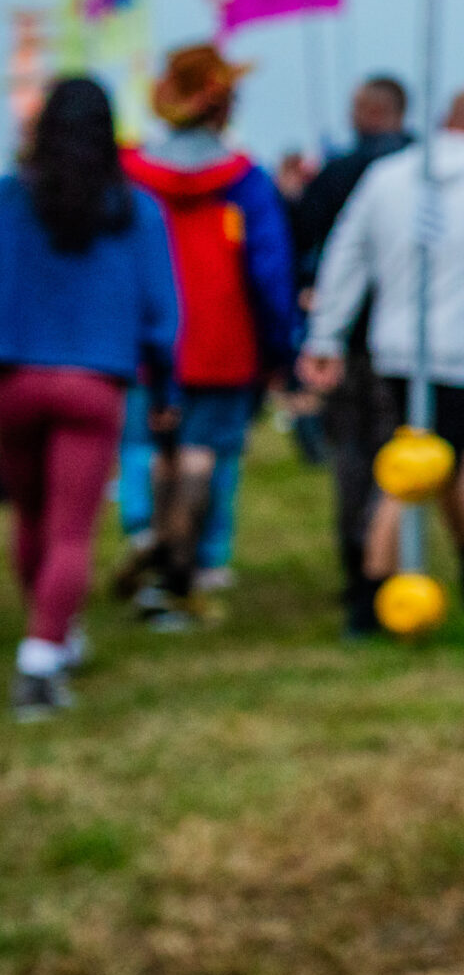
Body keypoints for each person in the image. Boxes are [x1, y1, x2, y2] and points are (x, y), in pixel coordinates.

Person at [301, 89, 464, 620]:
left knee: (448, 457)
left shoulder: (389, 176)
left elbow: (346, 253)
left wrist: (326, 334)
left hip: (397, 343)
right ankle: (372, 590)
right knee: (417, 467)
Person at [0, 79, 180, 720]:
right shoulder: (135, 211)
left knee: (33, 520)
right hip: (94, 383)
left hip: (13, 380)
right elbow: (162, 315)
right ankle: (44, 656)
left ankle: (52, 631)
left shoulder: (10, 200)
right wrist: (166, 388)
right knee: (73, 531)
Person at [118, 45, 296, 628]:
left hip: (145, 339)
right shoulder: (244, 180)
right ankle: (190, 566)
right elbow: (269, 270)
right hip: (223, 339)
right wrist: (280, 348)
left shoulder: (130, 176)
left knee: (150, 449)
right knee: (205, 454)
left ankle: (149, 540)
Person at [289, 76, 414, 635]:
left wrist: (320, 324)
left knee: (352, 452)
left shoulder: (340, 173)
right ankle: (387, 562)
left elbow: (304, 237)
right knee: (398, 453)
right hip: (404, 339)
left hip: (352, 336)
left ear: (369, 110)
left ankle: (358, 560)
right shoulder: (420, 170)